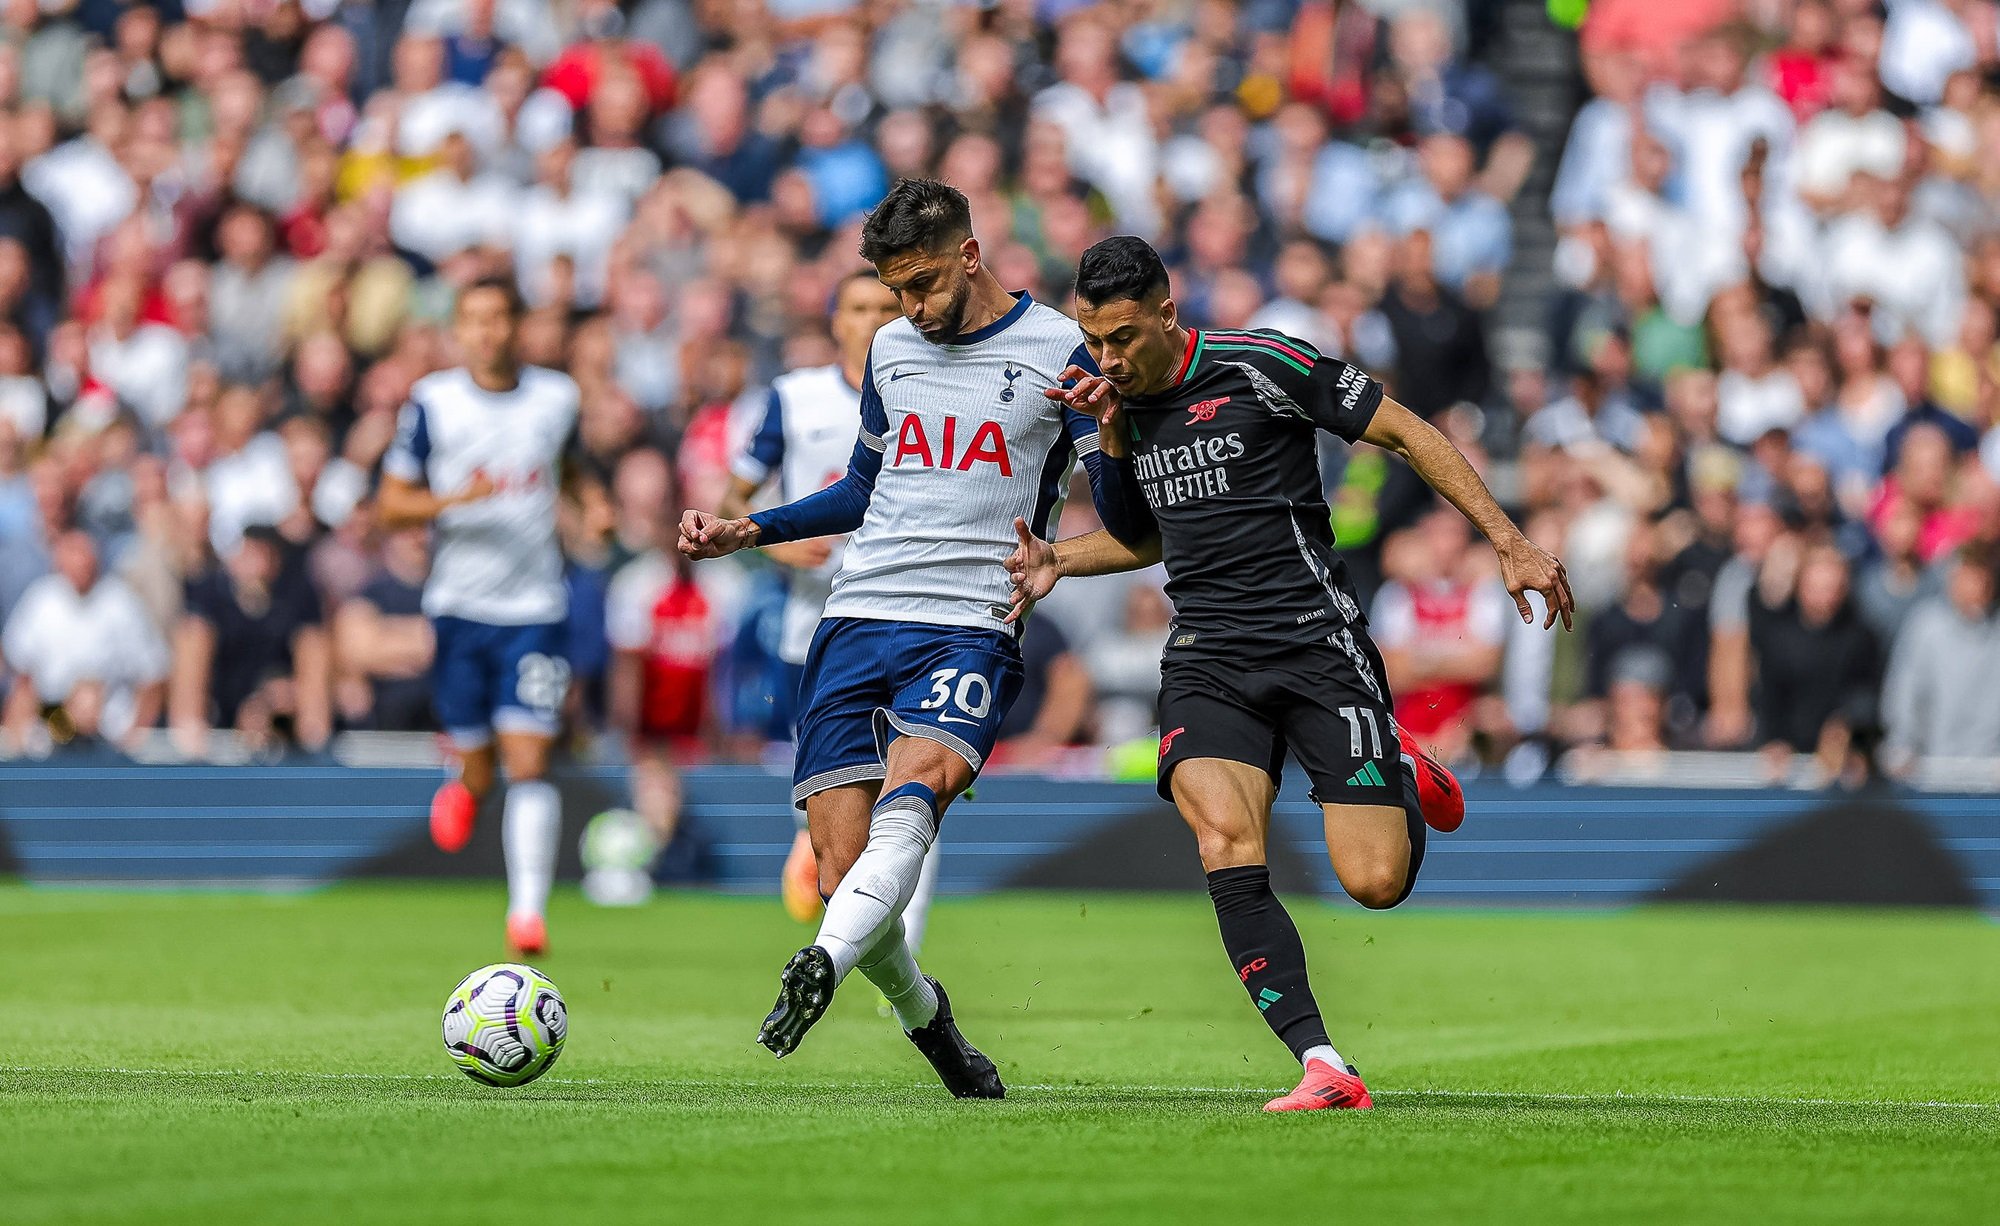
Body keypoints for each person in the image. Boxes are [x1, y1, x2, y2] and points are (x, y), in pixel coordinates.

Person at [1008, 236, 1570, 1112]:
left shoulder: (1263, 363)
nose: (1105, 357)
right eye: (1093, 337)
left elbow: (1408, 432)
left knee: (1374, 884)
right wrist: (1062, 550)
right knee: (1225, 841)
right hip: (1209, 657)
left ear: (1166, 312)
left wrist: (1508, 538)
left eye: (1121, 337)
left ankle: (1395, 760)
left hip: (1315, 645)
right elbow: (1143, 531)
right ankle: (1322, 1061)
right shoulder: (1109, 400)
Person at [678, 179, 1148, 1098]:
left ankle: (819, 963)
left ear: (970, 255)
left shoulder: (1059, 346)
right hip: (856, 613)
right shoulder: (892, 348)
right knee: (842, 869)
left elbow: (1130, 520)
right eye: (896, 290)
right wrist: (750, 530)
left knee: (919, 790)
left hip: (972, 621)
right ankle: (930, 1023)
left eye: (923, 284)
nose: (910, 309)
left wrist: (1113, 429)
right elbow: (862, 488)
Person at [377, 275, 584, 959]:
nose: (488, 331)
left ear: (517, 325)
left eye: (499, 317)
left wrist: (593, 507)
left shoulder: (557, 397)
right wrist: (454, 501)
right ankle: (462, 783)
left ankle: (527, 913)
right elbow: (389, 505)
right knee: (479, 764)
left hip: (535, 607)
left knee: (530, 758)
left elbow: (572, 467)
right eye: (474, 319)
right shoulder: (433, 403)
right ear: (457, 331)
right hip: (459, 607)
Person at [716, 271, 911, 927]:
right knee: (829, 778)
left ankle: (893, 936)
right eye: (859, 307)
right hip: (814, 622)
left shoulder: (933, 392)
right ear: (835, 320)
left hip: (908, 611)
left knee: (904, 784)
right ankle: (812, 847)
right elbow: (732, 498)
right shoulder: (795, 399)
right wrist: (774, 544)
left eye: (887, 306)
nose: (874, 319)